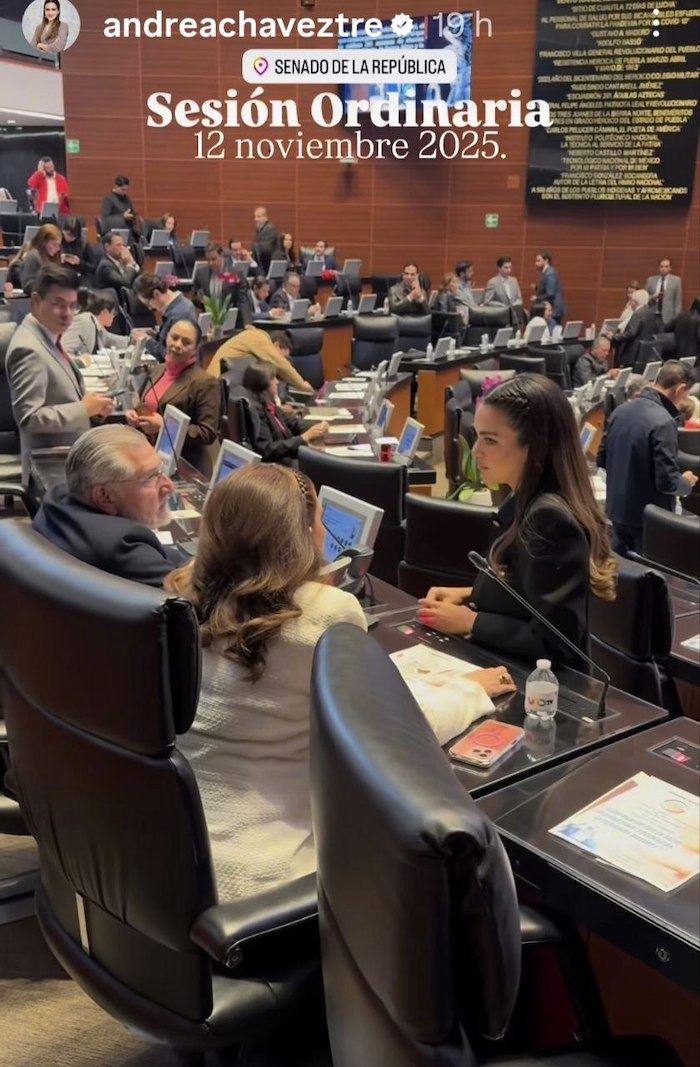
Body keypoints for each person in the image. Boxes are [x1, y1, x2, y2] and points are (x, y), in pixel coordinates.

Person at [167, 464, 517, 898]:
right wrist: (469, 690)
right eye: (318, 523)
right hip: (263, 883)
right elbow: (389, 736)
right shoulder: (327, 612)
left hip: (172, 856)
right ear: (300, 536)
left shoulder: (183, 594)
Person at [417, 375, 617, 669]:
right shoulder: (526, 500)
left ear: (534, 446)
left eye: (490, 440)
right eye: (478, 437)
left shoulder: (550, 519)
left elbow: (557, 643)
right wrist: (468, 595)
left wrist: (471, 621)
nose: (476, 452)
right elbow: (527, 592)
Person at [32, 426, 184, 585]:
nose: (169, 486)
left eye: (160, 470)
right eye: (150, 477)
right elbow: (196, 598)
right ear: (104, 496)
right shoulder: (122, 545)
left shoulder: (58, 497)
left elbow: (164, 555)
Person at [6, 265, 114, 482]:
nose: (68, 314)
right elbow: (29, 418)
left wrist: (92, 407)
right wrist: (83, 409)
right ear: (36, 301)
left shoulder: (47, 337)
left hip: (67, 462)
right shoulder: (29, 349)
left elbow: (59, 397)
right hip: (51, 473)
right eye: (59, 304)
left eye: (73, 306)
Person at [598, 361, 698, 555]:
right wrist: (685, 481)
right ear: (680, 389)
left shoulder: (620, 411)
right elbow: (667, 482)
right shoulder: (663, 421)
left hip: (616, 512)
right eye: (686, 394)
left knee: (620, 574)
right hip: (647, 521)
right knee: (648, 580)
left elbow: (602, 459)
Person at [126, 319, 220, 475]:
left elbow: (207, 433)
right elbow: (145, 406)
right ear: (167, 337)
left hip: (184, 465)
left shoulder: (205, 382)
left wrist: (166, 427)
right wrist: (135, 416)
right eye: (174, 338)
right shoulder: (158, 370)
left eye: (186, 342)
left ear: (196, 348)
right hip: (150, 456)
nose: (177, 345)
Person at [242, 363, 328, 463]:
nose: (277, 382)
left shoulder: (269, 403)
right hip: (280, 466)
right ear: (262, 383)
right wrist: (303, 438)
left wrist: (318, 426)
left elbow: (292, 424)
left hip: (290, 456)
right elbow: (267, 450)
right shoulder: (256, 411)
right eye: (272, 379)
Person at [207, 327, 314, 392]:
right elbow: (281, 364)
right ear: (276, 345)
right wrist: (303, 385)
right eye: (284, 356)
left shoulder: (256, 339)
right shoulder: (259, 338)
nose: (285, 360)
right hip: (215, 386)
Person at [132, 273, 198, 361]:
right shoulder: (183, 305)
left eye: (148, 304)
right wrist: (155, 336)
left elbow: (171, 356)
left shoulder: (178, 315)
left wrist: (148, 341)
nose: (149, 308)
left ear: (156, 294)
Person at [60, 288, 129, 358]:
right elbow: (63, 351)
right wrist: (81, 361)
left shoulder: (97, 327)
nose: (114, 317)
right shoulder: (84, 321)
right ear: (104, 311)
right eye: (114, 313)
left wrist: (134, 340)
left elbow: (113, 340)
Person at [613, 289, 656, 369]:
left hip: (632, 352)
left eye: (631, 301)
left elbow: (631, 333)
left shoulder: (638, 313)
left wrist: (616, 336)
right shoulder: (650, 312)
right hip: (643, 352)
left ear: (635, 302)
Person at [19, 222, 62, 294]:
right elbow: (27, 286)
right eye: (54, 244)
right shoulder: (32, 257)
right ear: (43, 242)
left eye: (59, 245)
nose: (58, 249)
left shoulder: (52, 257)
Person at [100, 176, 143, 246]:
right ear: (116, 186)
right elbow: (105, 220)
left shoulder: (127, 199)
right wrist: (122, 217)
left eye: (127, 190)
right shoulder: (108, 199)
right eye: (123, 190)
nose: (125, 192)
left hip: (130, 232)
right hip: (116, 233)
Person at [646, 257, 682, 327]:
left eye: (666, 266)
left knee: (663, 336)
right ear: (658, 268)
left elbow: (678, 302)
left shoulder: (676, 281)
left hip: (667, 317)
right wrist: (653, 297)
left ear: (670, 268)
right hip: (652, 314)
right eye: (661, 266)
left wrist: (676, 318)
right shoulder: (650, 280)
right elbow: (644, 298)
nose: (663, 268)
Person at [60, 216, 96, 286]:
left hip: (79, 274)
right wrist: (57, 260)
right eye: (66, 234)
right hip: (60, 274)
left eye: (72, 236)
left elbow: (93, 267)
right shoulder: (57, 241)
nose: (68, 238)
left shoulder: (84, 243)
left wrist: (79, 262)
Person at [533, 252, 566, 322]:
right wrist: (537, 288)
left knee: (551, 331)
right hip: (551, 310)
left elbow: (550, 293)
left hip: (553, 311)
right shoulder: (547, 272)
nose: (536, 263)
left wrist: (537, 297)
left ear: (546, 261)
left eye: (538, 260)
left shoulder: (550, 273)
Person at [251, 206, 281, 273]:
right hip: (265, 263)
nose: (255, 219)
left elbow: (266, 248)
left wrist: (254, 247)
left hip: (270, 265)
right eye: (255, 216)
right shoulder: (260, 229)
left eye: (258, 217)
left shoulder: (270, 229)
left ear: (265, 217)